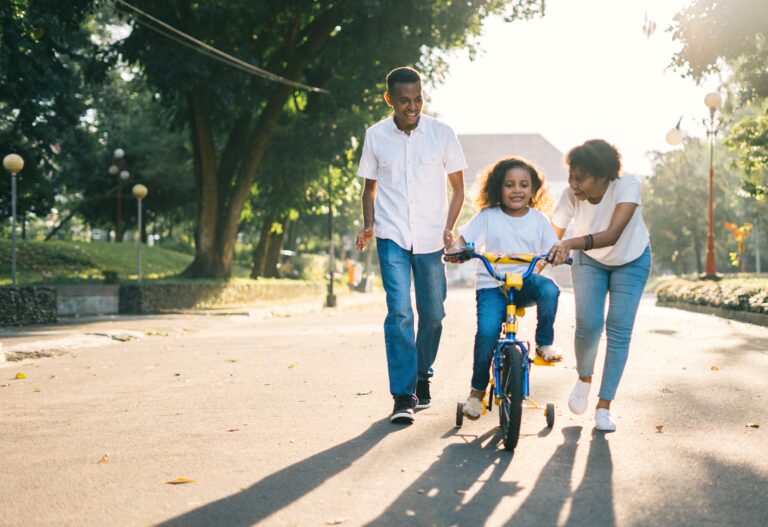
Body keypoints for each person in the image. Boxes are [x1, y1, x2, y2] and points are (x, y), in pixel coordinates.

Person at [355, 66, 466, 424]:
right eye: (404, 100)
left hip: (432, 238)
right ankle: (403, 395)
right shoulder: (375, 136)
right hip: (391, 237)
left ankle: (422, 375)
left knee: (433, 314)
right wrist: (369, 225)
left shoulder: (442, 134)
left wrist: (449, 228)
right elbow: (369, 189)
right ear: (390, 100)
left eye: (418, 99)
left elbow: (458, 188)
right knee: (400, 312)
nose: (412, 106)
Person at [446, 157, 563, 420]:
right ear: (499, 188)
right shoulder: (488, 217)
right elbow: (463, 241)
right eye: (509, 185)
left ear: (533, 190)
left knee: (550, 290)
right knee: (487, 333)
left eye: (524, 185)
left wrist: (558, 254)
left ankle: (544, 343)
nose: (517, 190)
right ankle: (476, 393)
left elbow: (553, 248)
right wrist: (456, 251)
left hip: (524, 283)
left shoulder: (539, 220)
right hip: (492, 285)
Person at [548, 139, 651, 432]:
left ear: (603, 175)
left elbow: (613, 234)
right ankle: (584, 379)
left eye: (580, 178)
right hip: (589, 261)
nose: (573, 184)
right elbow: (550, 236)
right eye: (571, 176)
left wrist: (569, 243)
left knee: (618, 328)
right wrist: (536, 263)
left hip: (631, 259)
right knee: (588, 325)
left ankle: (604, 407)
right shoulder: (572, 195)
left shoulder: (626, 185)